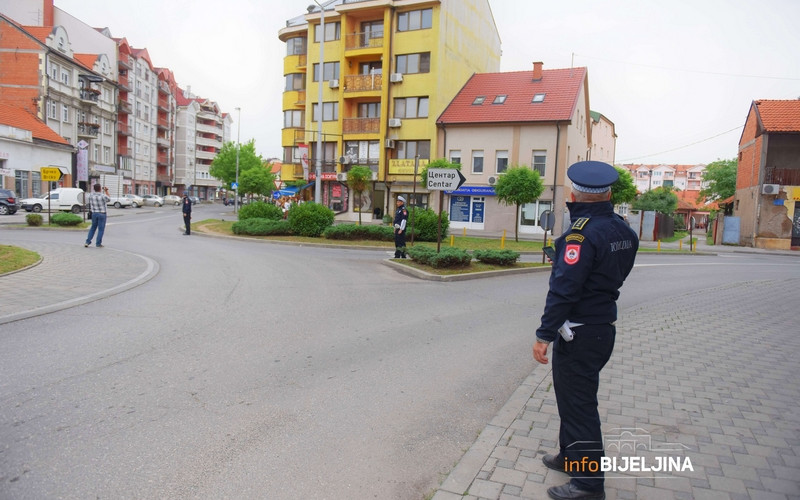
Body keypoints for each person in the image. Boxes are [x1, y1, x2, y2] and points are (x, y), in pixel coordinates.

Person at [533, 161, 638, 500]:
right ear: (608, 194)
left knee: (580, 407)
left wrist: (543, 335)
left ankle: (589, 485)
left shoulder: (582, 233)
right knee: (571, 399)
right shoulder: (623, 229)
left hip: (578, 332)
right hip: (601, 327)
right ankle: (570, 457)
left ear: (576, 194)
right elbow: (609, 273)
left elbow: (564, 290)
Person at [84, 184, 110, 248]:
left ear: (94, 189)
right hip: (102, 213)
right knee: (101, 229)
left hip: (94, 213)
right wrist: (106, 191)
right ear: (100, 188)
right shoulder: (103, 196)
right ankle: (98, 243)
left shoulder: (91, 195)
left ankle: (87, 241)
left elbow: (86, 199)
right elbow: (109, 199)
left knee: (93, 228)